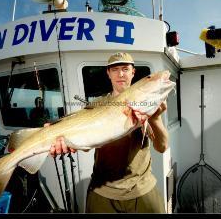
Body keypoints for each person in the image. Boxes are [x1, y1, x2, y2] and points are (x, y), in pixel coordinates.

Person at [48, 52, 168, 213]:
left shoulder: (144, 103)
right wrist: (66, 142)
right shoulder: (96, 104)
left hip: (141, 188)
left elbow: (162, 147)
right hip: (102, 191)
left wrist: (155, 118)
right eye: (115, 69)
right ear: (108, 73)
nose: (120, 74)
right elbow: (85, 145)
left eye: (125, 69)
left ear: (133, 72)